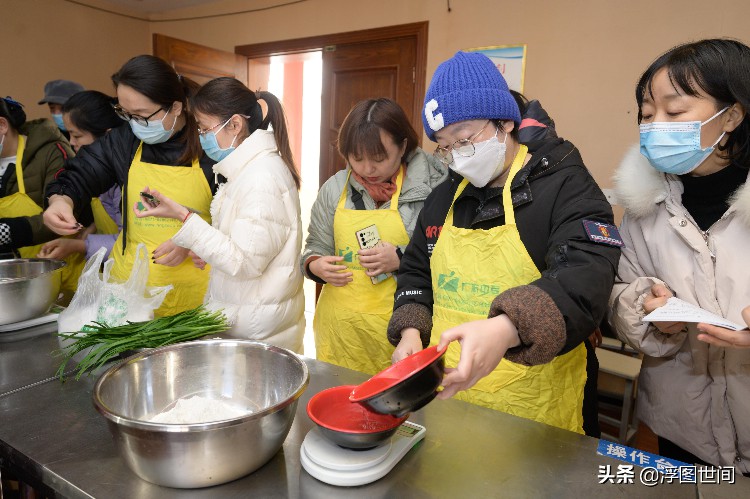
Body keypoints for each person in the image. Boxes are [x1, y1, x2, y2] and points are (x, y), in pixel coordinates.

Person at [388, 51, 620, 434]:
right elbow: (416, 270)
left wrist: (506, 328)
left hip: (536, 409)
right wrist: (412, 331)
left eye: (463, 139)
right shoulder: (443, 198)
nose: (457, 156)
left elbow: (586, 273)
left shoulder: (564, 183)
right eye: (444, 147)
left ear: (505, 122)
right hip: (453, 402)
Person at [609, 39, 750, 471]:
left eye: (674, 112)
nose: (655, 126)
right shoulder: (641, 210)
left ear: (732, 113)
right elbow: (619, 293)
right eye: (647, 115)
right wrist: (647, 311)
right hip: (683, 424)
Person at [133, 78, 305, 353]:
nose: (201, 137)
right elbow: (243, 246)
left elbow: (245, 263)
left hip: (257, 334)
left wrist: (182, 215)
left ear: (235, 125)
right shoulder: (245, 170)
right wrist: (208, 249)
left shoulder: (261, 177)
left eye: (204, 128)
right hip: (247, 320)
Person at [43, 55, 216, 317]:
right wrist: (62, 200)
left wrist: (196, 242)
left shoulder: (210, 146)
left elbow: (238, 221)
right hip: (131, 294)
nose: (134, 123)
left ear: (176, 107)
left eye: (142, 115)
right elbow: (85, 170)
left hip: (196, 296)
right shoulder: (125, 141)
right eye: (126, 113)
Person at [301, 97, 447, 374]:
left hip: (405, 332)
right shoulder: (335, 188)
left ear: (403, 147)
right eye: (356, 158)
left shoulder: (432, 188)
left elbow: (449, 258)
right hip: (341, 331)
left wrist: (402, 258)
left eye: (379, 159)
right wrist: (314, 265)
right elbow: (315, 245)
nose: (367, 169)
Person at [38, 90, 125, 262]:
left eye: (77, 135)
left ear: (106, 136)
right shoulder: (91, 172)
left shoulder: (123, 181)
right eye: (69, 134)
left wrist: (79, 246)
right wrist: (90, 229)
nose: (71, 142)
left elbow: (131, 242)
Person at [0, 96, 75, 258]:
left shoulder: (51, 153)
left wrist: (5, 232)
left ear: (2, 126)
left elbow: (65, 216)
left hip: (55, 265)